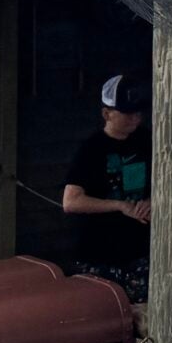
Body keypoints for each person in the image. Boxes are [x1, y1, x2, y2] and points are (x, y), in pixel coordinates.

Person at [63, 73, 152, 301]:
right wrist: (119, 205)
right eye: (127, 113)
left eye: (138, 113)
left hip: (139, 250)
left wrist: (153, 201)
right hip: (98, 252)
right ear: (107, 114)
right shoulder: (92, 149)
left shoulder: (148, 140)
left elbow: (168, 180)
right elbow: (71, 201)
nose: (134, 118)